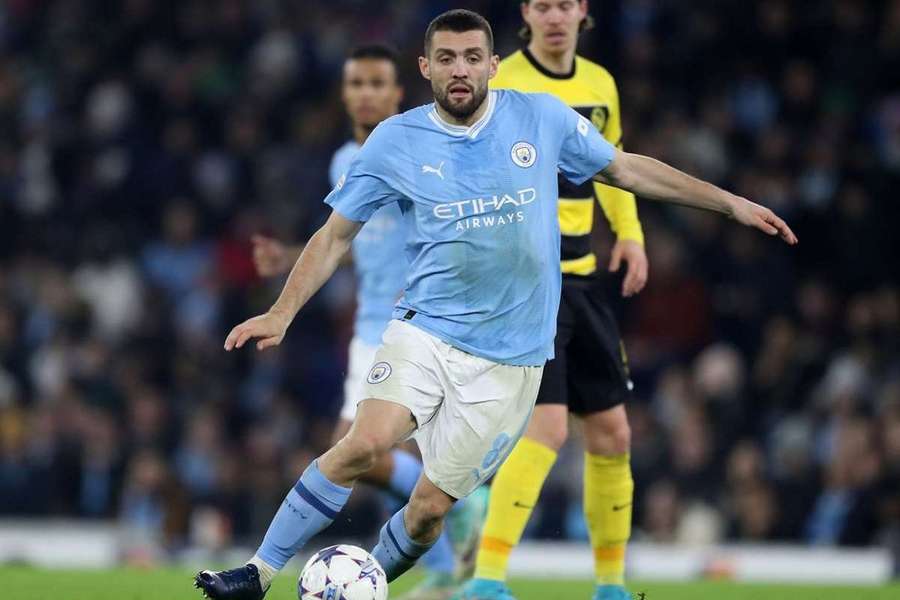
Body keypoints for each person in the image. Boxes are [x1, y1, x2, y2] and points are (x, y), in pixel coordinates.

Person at [194, 9, 796, 600]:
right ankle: (259, 572)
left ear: (493, 65)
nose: (461, 70)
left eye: (473, 58)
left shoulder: (539, 118)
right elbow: (333, 237)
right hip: (425, 331)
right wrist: (281, 312)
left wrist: (731, 204)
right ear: (426, 67)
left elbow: (627, 170)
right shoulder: (395, 140)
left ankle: (361, 585)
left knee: (429, 510)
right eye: (448, 59)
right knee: (361, 444)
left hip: (512, 362)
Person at [249, 45, 484, 600]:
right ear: (344, 93)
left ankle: (459, 524)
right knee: (372, 460)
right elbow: (357, 241)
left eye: (378, 83)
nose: (366, 93)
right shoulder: (342, 161)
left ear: (398, 92)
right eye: (356, 83)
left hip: (418, 324)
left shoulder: (421, 148)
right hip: (367, 328)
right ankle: (452, 559)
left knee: (355, 451)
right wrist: (289, 259)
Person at [456, 2, 645, 599]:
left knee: (613, 433)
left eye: (565, 3)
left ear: (583, 10)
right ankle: (486, 578)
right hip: (528, 282)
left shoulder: (599, 83)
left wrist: (632, 235)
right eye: (543, 4)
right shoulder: (503, 79)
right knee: (546, 428)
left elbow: (613, 167)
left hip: (584, 277)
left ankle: (611, 586)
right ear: (526, 13)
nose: (555, 15)